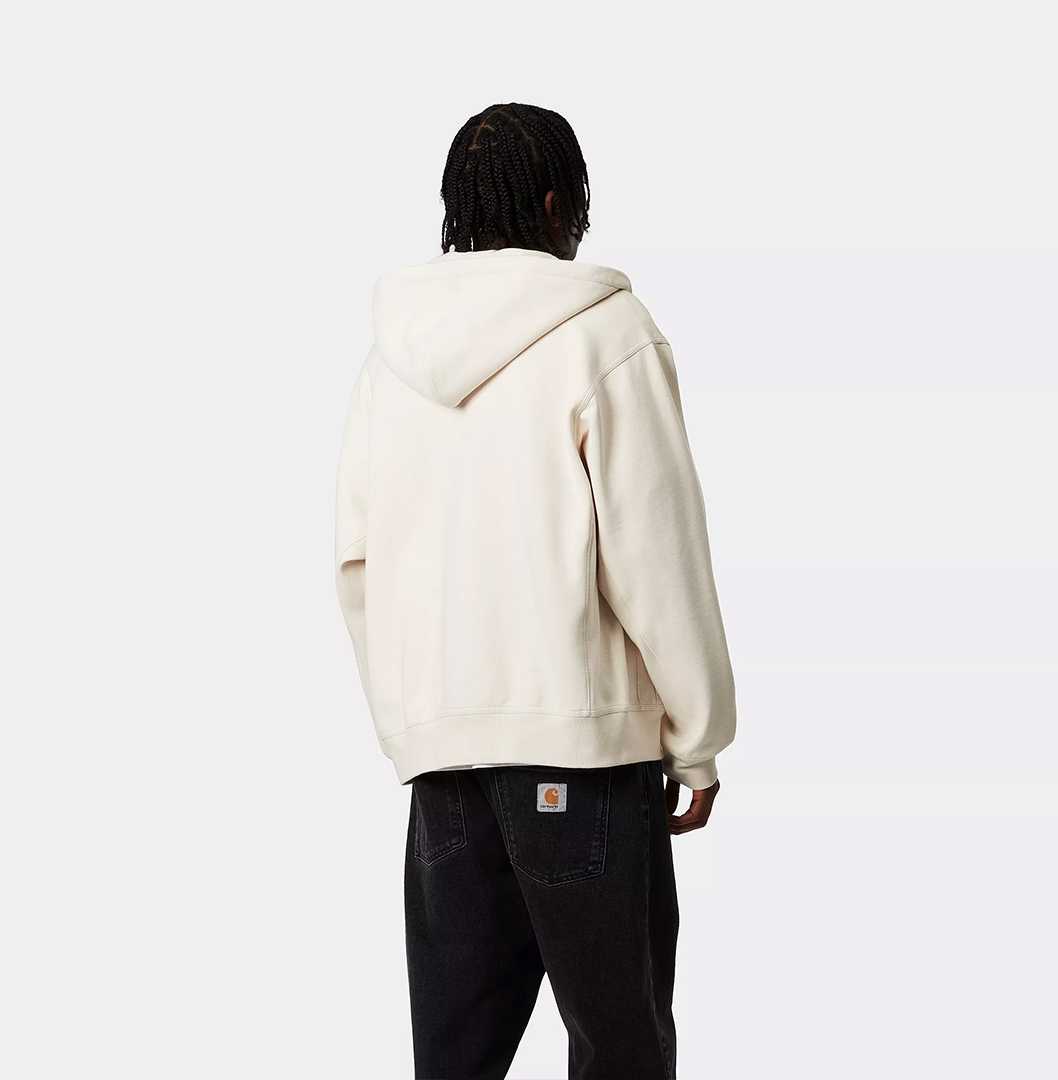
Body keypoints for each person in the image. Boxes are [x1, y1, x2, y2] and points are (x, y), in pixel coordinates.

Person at [335, 102, 736, 1080]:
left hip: (445, 768)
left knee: (455, 1062)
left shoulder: (390, 361)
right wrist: (698, 740)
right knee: (621, 1053)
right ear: (559, 204)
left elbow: (358, 563)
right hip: (581, 759)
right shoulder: (606, 332)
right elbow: (657, 551)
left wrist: (416, 726)